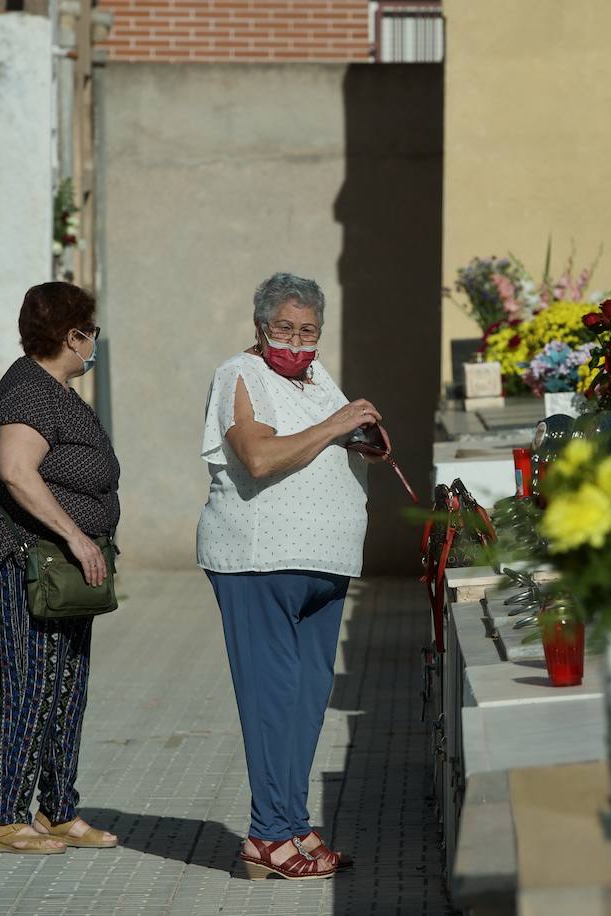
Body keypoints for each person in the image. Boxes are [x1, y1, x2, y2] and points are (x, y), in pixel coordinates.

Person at [197, 272, 381, 880]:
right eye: (286, 328)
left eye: (309, 330)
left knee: (306, 702)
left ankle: (294, 824)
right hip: (261, 560)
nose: (298, 340)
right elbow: (260, 456)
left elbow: (327, 435)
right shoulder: (240, 376)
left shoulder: (316, 376)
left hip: (323, 564)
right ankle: (266, 839)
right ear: (260, 327)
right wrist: (336, 426)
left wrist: (362, 435)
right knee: (272, 701)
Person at [0, 281, 120, 854]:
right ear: (70, 336)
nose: (93, 345)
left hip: (63, 565)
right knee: (32, 685)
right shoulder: (30, 392)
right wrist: (78, 537)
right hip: (30, 561)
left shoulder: (52, 389)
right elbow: (15, 471)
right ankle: (4, 819)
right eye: (90, 334)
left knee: (67, 685)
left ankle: (58, 810)